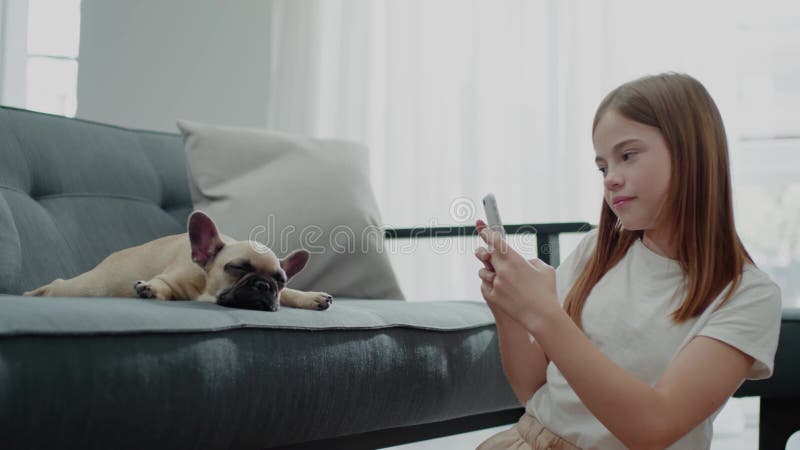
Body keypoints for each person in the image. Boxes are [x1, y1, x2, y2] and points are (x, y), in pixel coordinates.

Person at [473, 72, 782, 450]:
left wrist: (541, 312)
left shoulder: (746, 296)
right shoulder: (595, 252)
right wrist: (509, 311)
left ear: (691, 153)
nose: (611, 179)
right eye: (603, 167)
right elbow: (535, 394)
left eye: (628, 156)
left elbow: (654, 427)